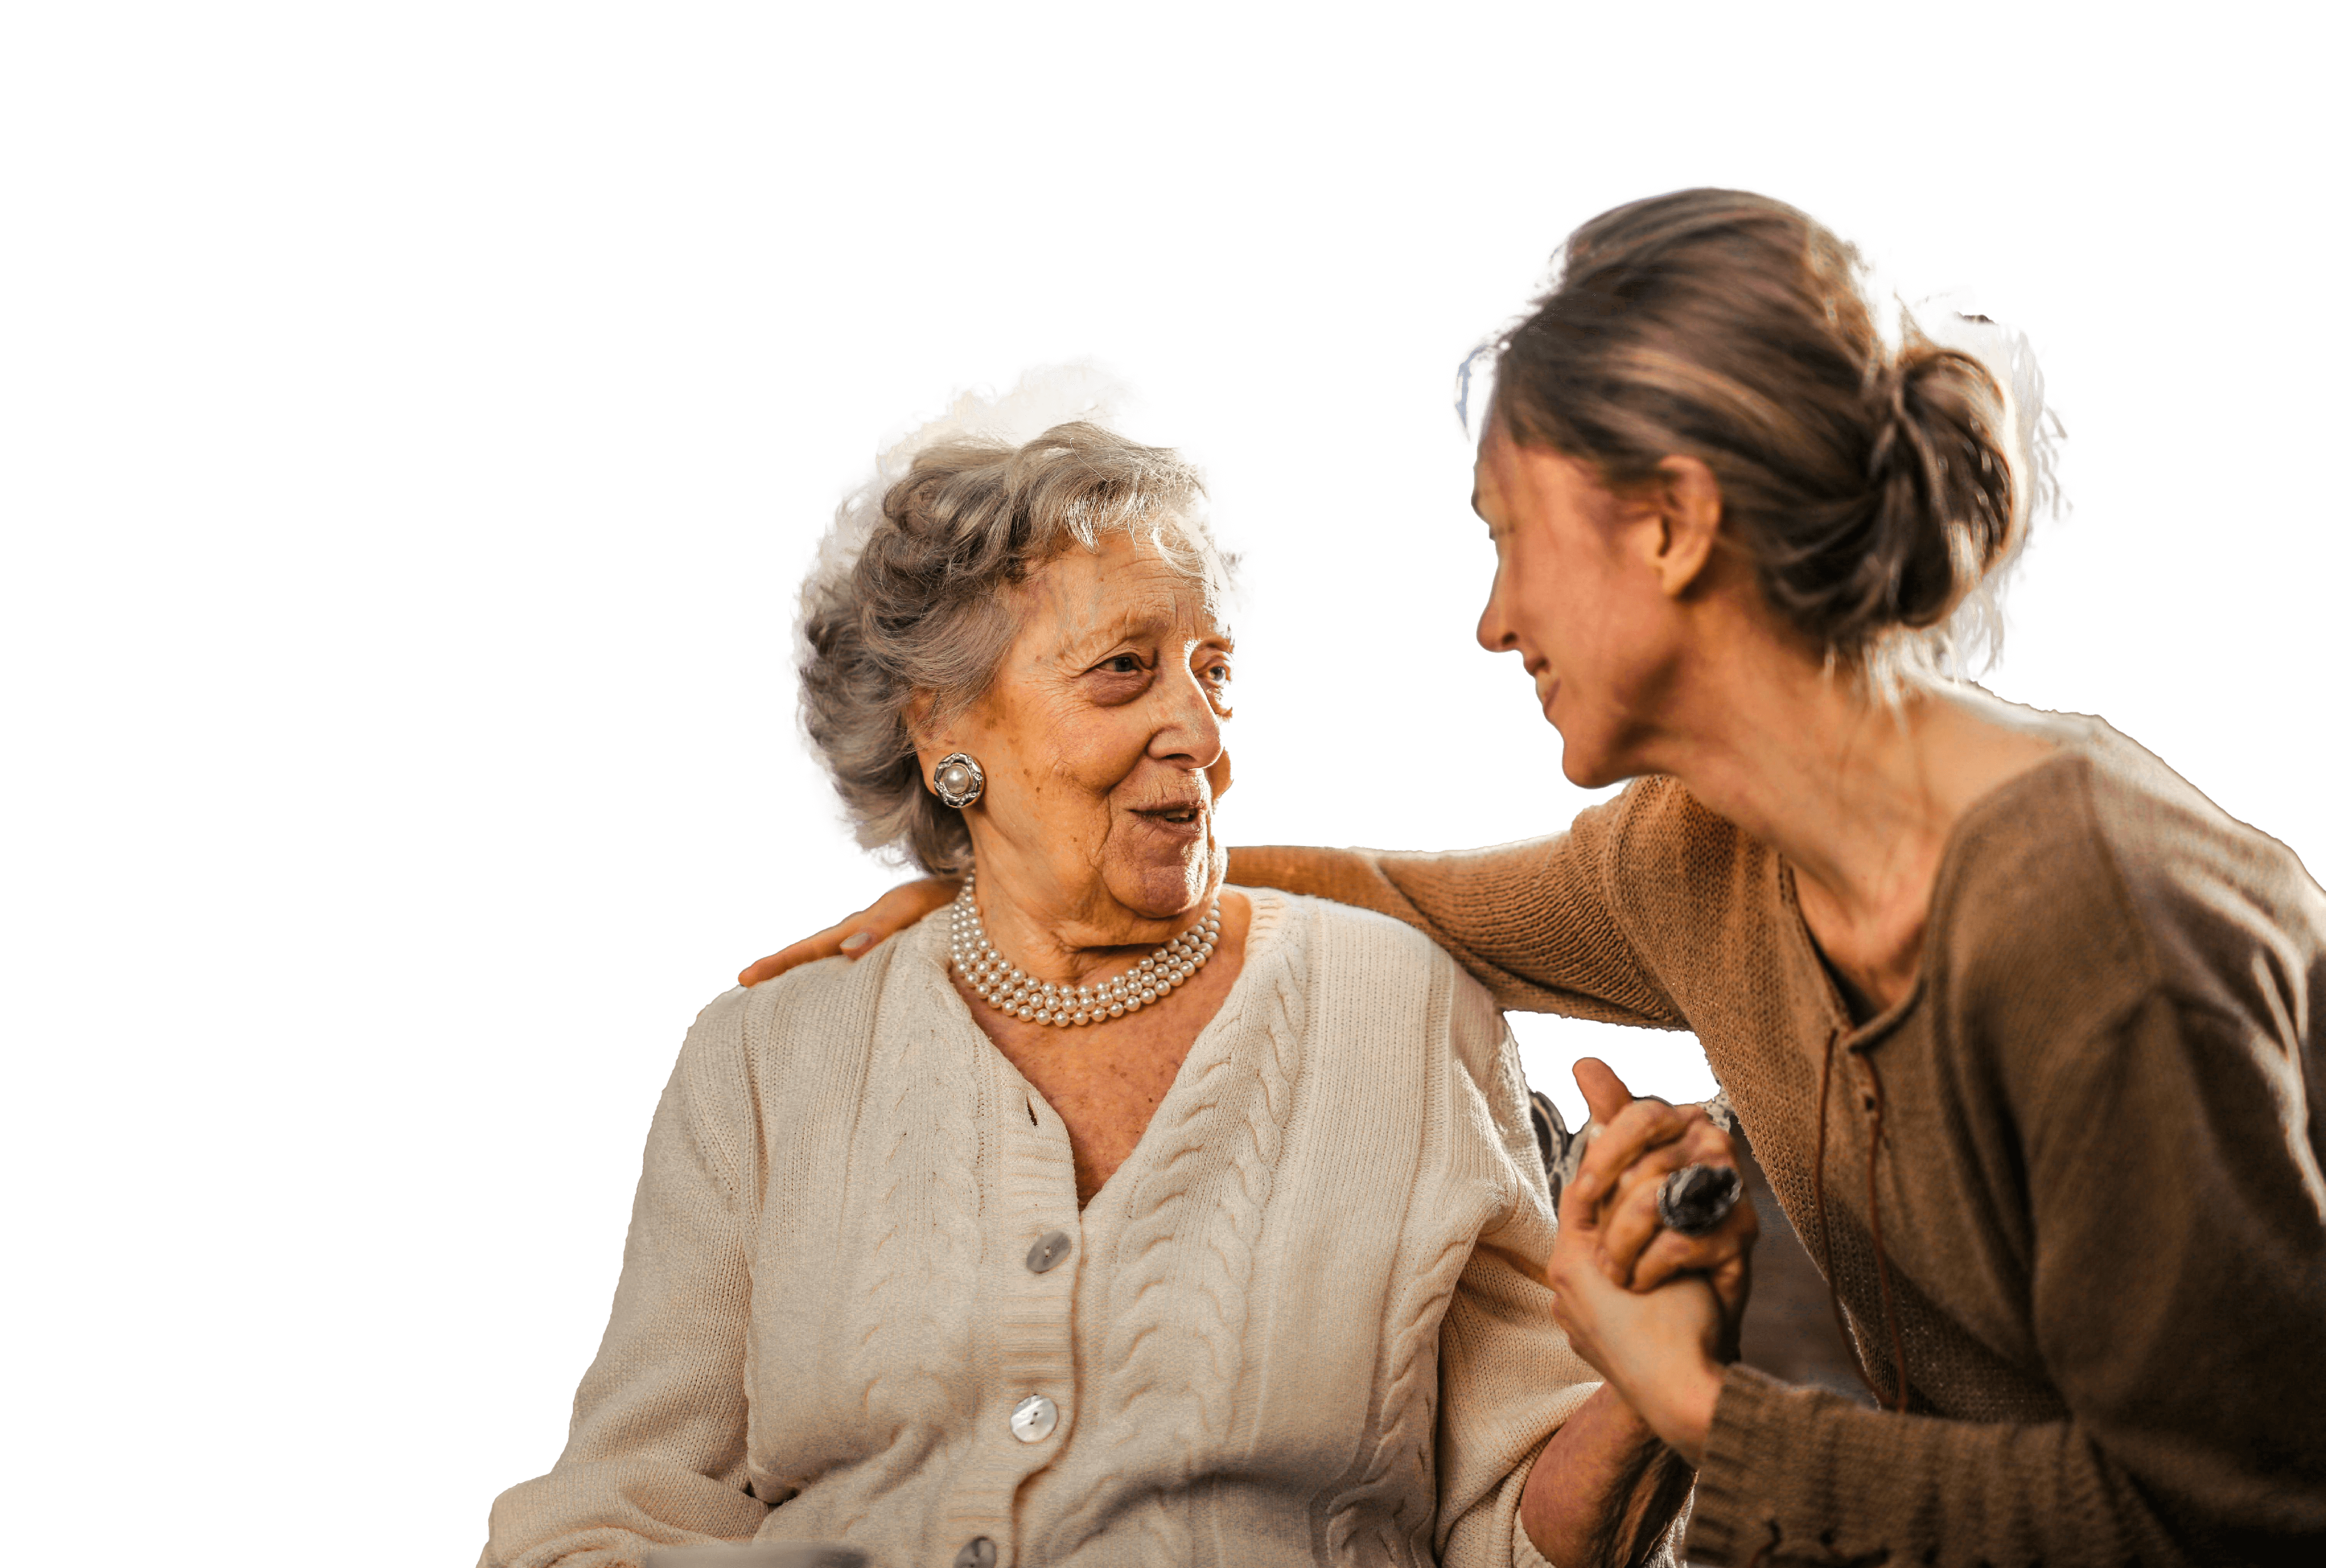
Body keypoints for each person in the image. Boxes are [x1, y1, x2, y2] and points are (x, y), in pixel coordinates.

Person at [745, 189, 2326, 1565]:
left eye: (1513, 537)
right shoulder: (1701, 857)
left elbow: (2235, 1518)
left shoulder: (2094, 921)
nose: (1495, 620)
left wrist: (1696, 1402)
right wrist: (1023, 883)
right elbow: (1401, 896)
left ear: (1672, 526)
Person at [481, 358, 1750, 1568]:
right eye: (1125, 672)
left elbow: (1515, 1535)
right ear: (942, 728)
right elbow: (614, 1515)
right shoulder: (763, 1061)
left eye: (1214, 675)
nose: (1197, 731)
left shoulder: (1401, 1009)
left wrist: (1650, 1391)